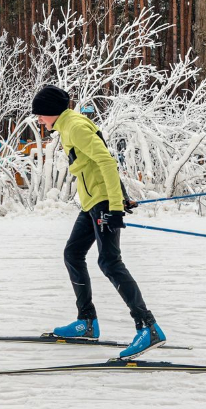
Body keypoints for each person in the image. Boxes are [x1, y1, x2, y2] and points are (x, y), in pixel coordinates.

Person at [31, 84, 166, 359]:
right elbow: (100, 160)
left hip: (103, 202)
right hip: (93, 202)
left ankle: (148, 327)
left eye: (40, 114)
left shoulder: (75, 127)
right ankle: (87, 322)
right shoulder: (69, 126)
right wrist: (122, 196)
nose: (38, 119)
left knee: (109, 262)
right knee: (73, 253)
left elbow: (106, 161)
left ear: (51, 111)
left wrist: (115, 206)